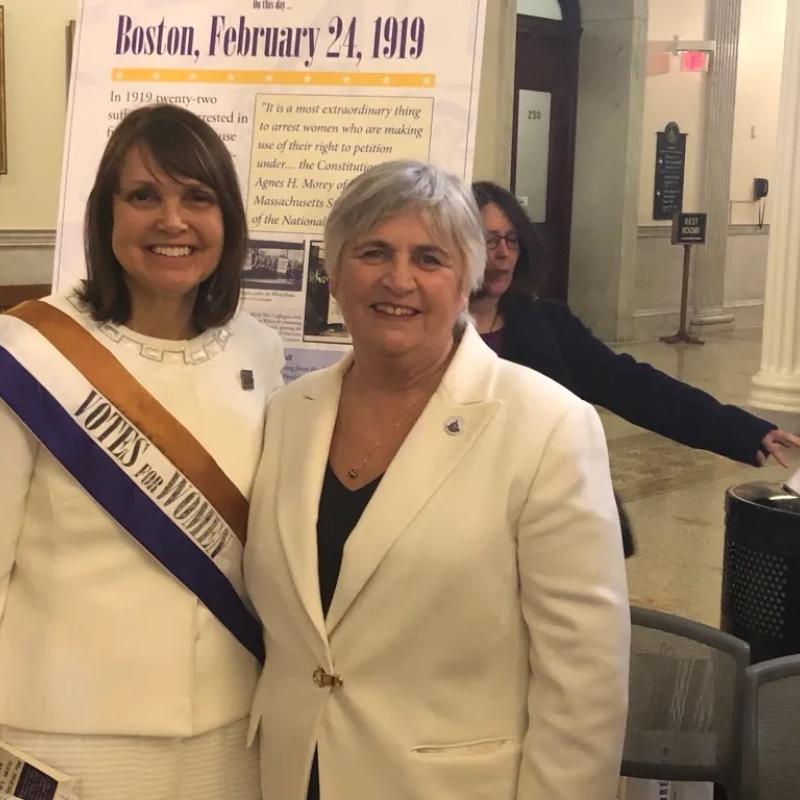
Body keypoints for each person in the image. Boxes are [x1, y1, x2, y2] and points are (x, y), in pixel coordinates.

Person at [245, 160, 630, 800]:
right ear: (335, 276)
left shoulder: (547, 425)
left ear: (466, 282)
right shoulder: (289, 413)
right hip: (293, 774)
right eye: (373, 252)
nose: (399, 279)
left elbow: (585, 683)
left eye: (430, 258)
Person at [0, 104, 283, 799]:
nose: (173, 221)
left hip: (230, 730)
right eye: (144, 196)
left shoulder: (260, 350)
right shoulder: (28, 352)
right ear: (106, 216)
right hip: (65, 732)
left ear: (228, 220)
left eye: (198, 197)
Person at [470, 181, 800, 554]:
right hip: (463, 516)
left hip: (545, 512)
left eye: (512, 240)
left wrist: (743, 430)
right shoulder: (432, 332)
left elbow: (634, 386)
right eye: (490, 241)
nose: (503, 255)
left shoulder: (546, 324)